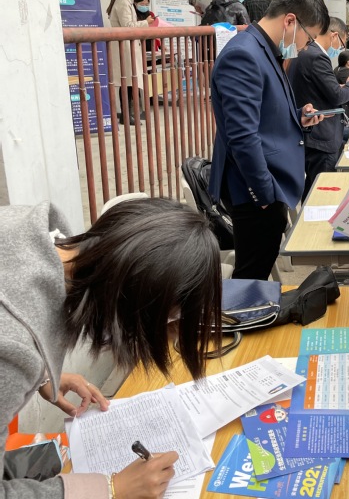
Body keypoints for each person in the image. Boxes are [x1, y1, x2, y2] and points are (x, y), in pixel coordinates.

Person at [0, 198, 223, 498]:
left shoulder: (30, 233)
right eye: (171, 319)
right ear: (137, 303)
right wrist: (111, 488)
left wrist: (42, 374)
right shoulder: (11, 348)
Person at [208, 0, 326, 281]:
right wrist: (264, 194)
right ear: (290, 21)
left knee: (257, 271)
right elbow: (242, 136)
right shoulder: (243, 54)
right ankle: (245, 313)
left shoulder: (263, 49)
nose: (305, 47)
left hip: (269, 183)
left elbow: (262, 113)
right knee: (251, 278)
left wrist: (298, 117)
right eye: (309, 37)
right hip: (254, 189)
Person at [288, 16, 349, 201]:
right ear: (334, 35)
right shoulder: (317, 56)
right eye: (342, 44)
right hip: (321, 134)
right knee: (322, 193)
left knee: (312, 188)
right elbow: (336, 95)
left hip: (309, 132)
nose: (340, 49)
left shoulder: (302, 52)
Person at [106, 0, 153, 125]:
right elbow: (128, 26)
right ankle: (126, 115)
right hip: (125, 46)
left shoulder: (126, 1)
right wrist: (145, 22)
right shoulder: (122, 3)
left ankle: (128, 114)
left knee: (129, 81)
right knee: (127, 81)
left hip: (128, 46)